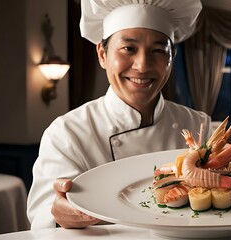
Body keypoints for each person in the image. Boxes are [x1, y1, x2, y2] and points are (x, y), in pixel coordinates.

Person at [27, 0, 209, 229]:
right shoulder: (67, 133)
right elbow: (43, 218)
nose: (142, 65)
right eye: (128, 49)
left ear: (171, 59)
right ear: (102, 54)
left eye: (158, 50)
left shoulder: (197, 124)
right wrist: (59, 215)